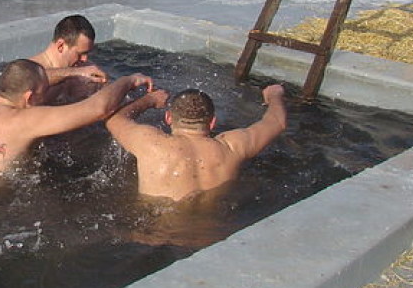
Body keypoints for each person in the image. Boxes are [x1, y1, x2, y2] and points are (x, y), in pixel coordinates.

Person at [0, 59, 154, 185]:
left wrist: (75, 72)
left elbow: (19, 81)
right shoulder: (23, 120)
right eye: (44, 93)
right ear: (29, 98)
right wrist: (130, 80)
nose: (47, 96)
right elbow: (98, 109)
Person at [105, 85, 287, 202]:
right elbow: (277, 122)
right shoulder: (233, 146)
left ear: (168, 118)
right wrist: (274, 95)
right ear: (212, 122)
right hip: (211, 236)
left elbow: (114, 119)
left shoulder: (151, 143)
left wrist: (149, 100)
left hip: (155, 235)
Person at [30, 14, 108, 103]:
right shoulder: (26, 69)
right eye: (80, 53)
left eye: (87, 53)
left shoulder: (83, 67)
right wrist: (76, 72)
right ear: (61, 46)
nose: (85, 59)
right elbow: (31, 80)